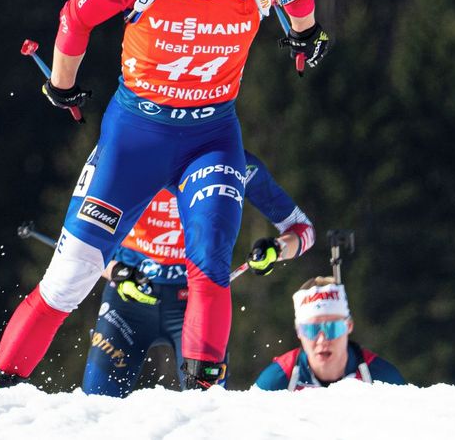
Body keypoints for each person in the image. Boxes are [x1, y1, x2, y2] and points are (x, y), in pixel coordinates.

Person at [0, 0, 330, 390]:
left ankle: (203, 402)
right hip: (135, 138)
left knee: (209, 263)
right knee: (70, 278)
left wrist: (306, 36)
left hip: (211, 138)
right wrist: (62, 85)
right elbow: (76, 14)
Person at [83, 150, 315, 396]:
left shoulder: (237, 164)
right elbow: (82, 237)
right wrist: (116, 271)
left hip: (199, 302)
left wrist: (276, 249)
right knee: (96, 403)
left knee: (206, 410)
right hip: (129, 301)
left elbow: (302, 229)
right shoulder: (122, 151)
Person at [253, 277, 406, 390]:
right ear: (299, 331)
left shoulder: (383, 379)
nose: (322, 340)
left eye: (332, 328)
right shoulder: (276, 381)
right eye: (312, 329)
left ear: (349, 326)